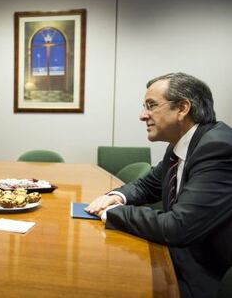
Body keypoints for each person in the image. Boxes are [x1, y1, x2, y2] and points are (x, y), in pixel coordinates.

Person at [86, 72, 232, 298]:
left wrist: (115, 213)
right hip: (181, 256)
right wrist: (117, 196)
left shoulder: (217, 148)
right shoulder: (182, 143)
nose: (142, 116)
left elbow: (177, 227)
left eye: (151, 105)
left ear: (182, 108)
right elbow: (148, 185)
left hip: (206, 275)